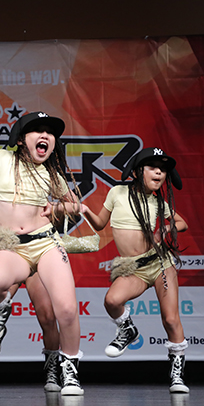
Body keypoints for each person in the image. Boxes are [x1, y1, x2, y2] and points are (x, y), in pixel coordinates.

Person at [0, 111, 85, 396]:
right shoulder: (2, 160)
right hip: (13, 247)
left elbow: (77, 205)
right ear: (20, 140)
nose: (45, 135)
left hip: (45, 244)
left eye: (49, 132)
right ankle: (2, 308)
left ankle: (68, 372)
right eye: (37, 130)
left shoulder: (50, 173)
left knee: (65, 310)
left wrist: (59, 207)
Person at [81, 147, 190, 393]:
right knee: (112, 300)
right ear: (138, 171)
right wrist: (86, 211)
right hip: (134, 268)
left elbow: (182, 222)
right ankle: (127, 330)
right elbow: (99, 224)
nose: (159, 172)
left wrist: (165, 229)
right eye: (153, 167)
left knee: (171, 319)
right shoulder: (117, 192)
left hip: (159, 264)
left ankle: (177, 376)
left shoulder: (158, 201)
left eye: (162, 170)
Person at [0, 196, 63, 391]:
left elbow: (58, 214)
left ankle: (53, 370)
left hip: (37, 252)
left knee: (47, 316)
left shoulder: (37, 186)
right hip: (10, 253)